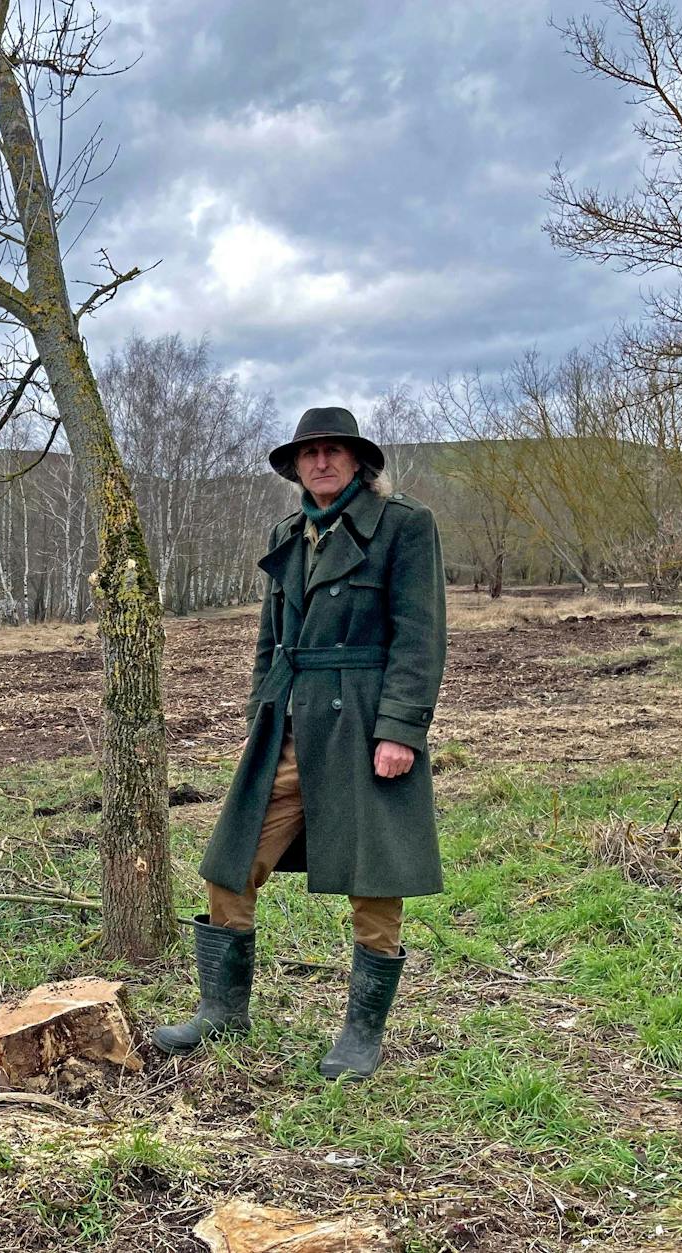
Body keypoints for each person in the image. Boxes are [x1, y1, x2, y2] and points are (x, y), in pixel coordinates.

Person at [154, 406, 446, 1081]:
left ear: (357, 460)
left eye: (333, 451)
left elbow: (420, 637)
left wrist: (401, 729)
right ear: (296, 466)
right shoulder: (289, 532)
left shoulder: (404, 525)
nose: (321, 462)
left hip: (365, 725)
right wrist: (263, 710)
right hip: (290, 725)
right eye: (309, 452)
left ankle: (361, 1034)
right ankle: (222, 1008)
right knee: (230, 860)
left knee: (375, 878)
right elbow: (270, 637)